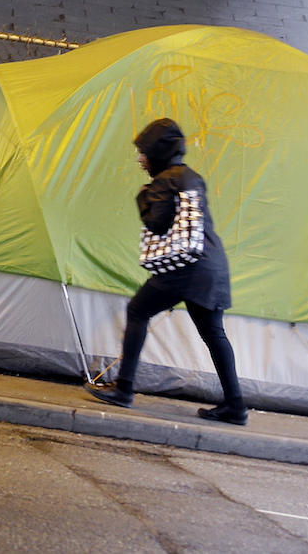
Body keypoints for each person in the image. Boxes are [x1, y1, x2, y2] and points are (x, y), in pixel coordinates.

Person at [86, 117, 248, 425]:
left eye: (144, 153)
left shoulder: (164, 181)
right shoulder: (191, 177)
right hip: (211, 266)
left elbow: (157, 222)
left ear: (158, 153)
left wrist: (143, 195)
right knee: (214, 333)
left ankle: (124, 388)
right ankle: (236, 406)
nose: (140, 159)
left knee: (137, 310)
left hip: (185, 270)